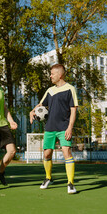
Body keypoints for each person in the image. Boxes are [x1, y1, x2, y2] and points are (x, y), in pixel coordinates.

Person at [30, 64, 78, 194]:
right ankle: (48, 178)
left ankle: (70, 183)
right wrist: (32, 111)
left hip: (64, 127)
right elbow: (41, 105)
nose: (50, 76)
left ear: (60, 75)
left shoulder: (70, 89)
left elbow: (73, 110)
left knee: (66, 152)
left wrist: (70, 128)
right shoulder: (50, 91)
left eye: (52, 74)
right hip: (50, 127)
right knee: (46, 154)